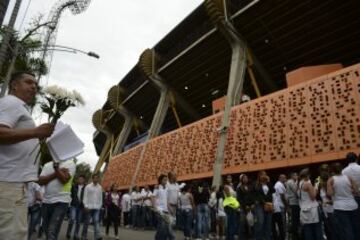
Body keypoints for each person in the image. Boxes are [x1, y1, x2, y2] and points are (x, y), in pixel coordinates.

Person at [0, 72, 54, 240]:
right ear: (14, 85)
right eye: (28, 82)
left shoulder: (17, 106)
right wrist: (36, 132)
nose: (33, 87)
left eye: (36, 85)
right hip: (9, 183)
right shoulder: (11, 103)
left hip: (12, 182)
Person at [38, 159, 76, 240]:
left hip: (61, 201)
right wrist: (57, 173)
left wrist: (56, 168)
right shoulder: (47, 165)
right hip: (46, 201)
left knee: (52, 230)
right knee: (47, 230)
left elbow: (64, 180)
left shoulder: (70, 163)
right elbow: (40, 181)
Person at [327, 162, 360, 240]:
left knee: (346, 229)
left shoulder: (331, 180)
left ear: (332, 170)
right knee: (356, 227)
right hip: (353, 205)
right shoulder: (349, 178)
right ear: (341, 169)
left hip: (340, 207)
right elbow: (356, 191)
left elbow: (330, 193)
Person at [298, 168, 323, 240]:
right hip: (312, 209)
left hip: (304, 209)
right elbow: (313, 197)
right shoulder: (307, 184)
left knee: (307, 230)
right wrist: (316, 185)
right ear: (308, 175)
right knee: (317, 229)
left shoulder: (300, 183)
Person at [153, 174, 175, 240]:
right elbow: (153, 197)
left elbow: (167, 201)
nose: (166, 181)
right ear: (160, 180)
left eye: (166, 180)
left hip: (166, 211)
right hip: (160, 211)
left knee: (166, 228)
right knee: (163, 228)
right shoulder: (157, 187)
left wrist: (171, 209)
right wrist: (155, 208)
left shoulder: (166, 189)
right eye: (164, 180)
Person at [253, 171, 274, 240]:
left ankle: (267, 238)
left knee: (268, 224)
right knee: (260, 222)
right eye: (262, 175)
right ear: (259, 176)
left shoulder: (268, 184)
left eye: (265, 174)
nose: (264, 176)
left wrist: (268, 181)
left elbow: (273, 190)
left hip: (268, 205)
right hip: (260, 205)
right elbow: (255, 193)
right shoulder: (256, 184)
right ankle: (258, 238)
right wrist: (260, 201)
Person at [82, 173, 103, 240]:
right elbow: (85, 197)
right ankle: (83, 236)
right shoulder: (88, 187)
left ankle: (97, 237)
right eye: (95, 178)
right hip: (89, 207)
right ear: (92, 178)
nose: (96, 179)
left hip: (96, 208)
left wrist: (100, 206)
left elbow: (100, 198)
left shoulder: (100, 187)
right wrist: (85, 205)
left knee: (96, 221)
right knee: (87, 222)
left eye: (97, 178)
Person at [66, 175, 86, 240]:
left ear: (84, 180)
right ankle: (68, 232)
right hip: (74, 205)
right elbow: (70, 195)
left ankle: (76, 234)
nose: (80, 180)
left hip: (81, 206)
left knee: (78, 221)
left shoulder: (86, 188)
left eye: (81, 179)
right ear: (77, 180)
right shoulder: (74, 186)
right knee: (72, 219)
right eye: (79, 179)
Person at [236, 173, 255, 239]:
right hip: (243, 208)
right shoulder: (239, 188)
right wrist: (245, 205)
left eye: (246, 178)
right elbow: (239, 199)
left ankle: (250, 236)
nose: (245, 179)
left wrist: (253, 204)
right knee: (243, 223)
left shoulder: (250, 186)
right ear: (241, 179)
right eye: (244, 178)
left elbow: (253, 196)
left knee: (251, 222)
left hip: (251, 207)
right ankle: (242, 237)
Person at [272, 174, 288, 240]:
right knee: (282, 223)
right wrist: (286, 205)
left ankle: (281, 236)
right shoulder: (279, 185)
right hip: (280, 206)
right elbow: (282, 197)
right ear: (280, 178)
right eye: (284, 178)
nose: (285, 179)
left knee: (280, 223)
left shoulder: (278, 184)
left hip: (278, 206)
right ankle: (283, 237)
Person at [286, 172, 300, 240]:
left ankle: (295, 232)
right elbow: (295, 190)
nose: (297, 176)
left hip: (295, 202)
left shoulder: (293, 181)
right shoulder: (290, 182)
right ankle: (295, 234)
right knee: (295, 218)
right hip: (293, 202)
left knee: (296, 218)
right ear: (292, 176)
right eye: (296, 175)